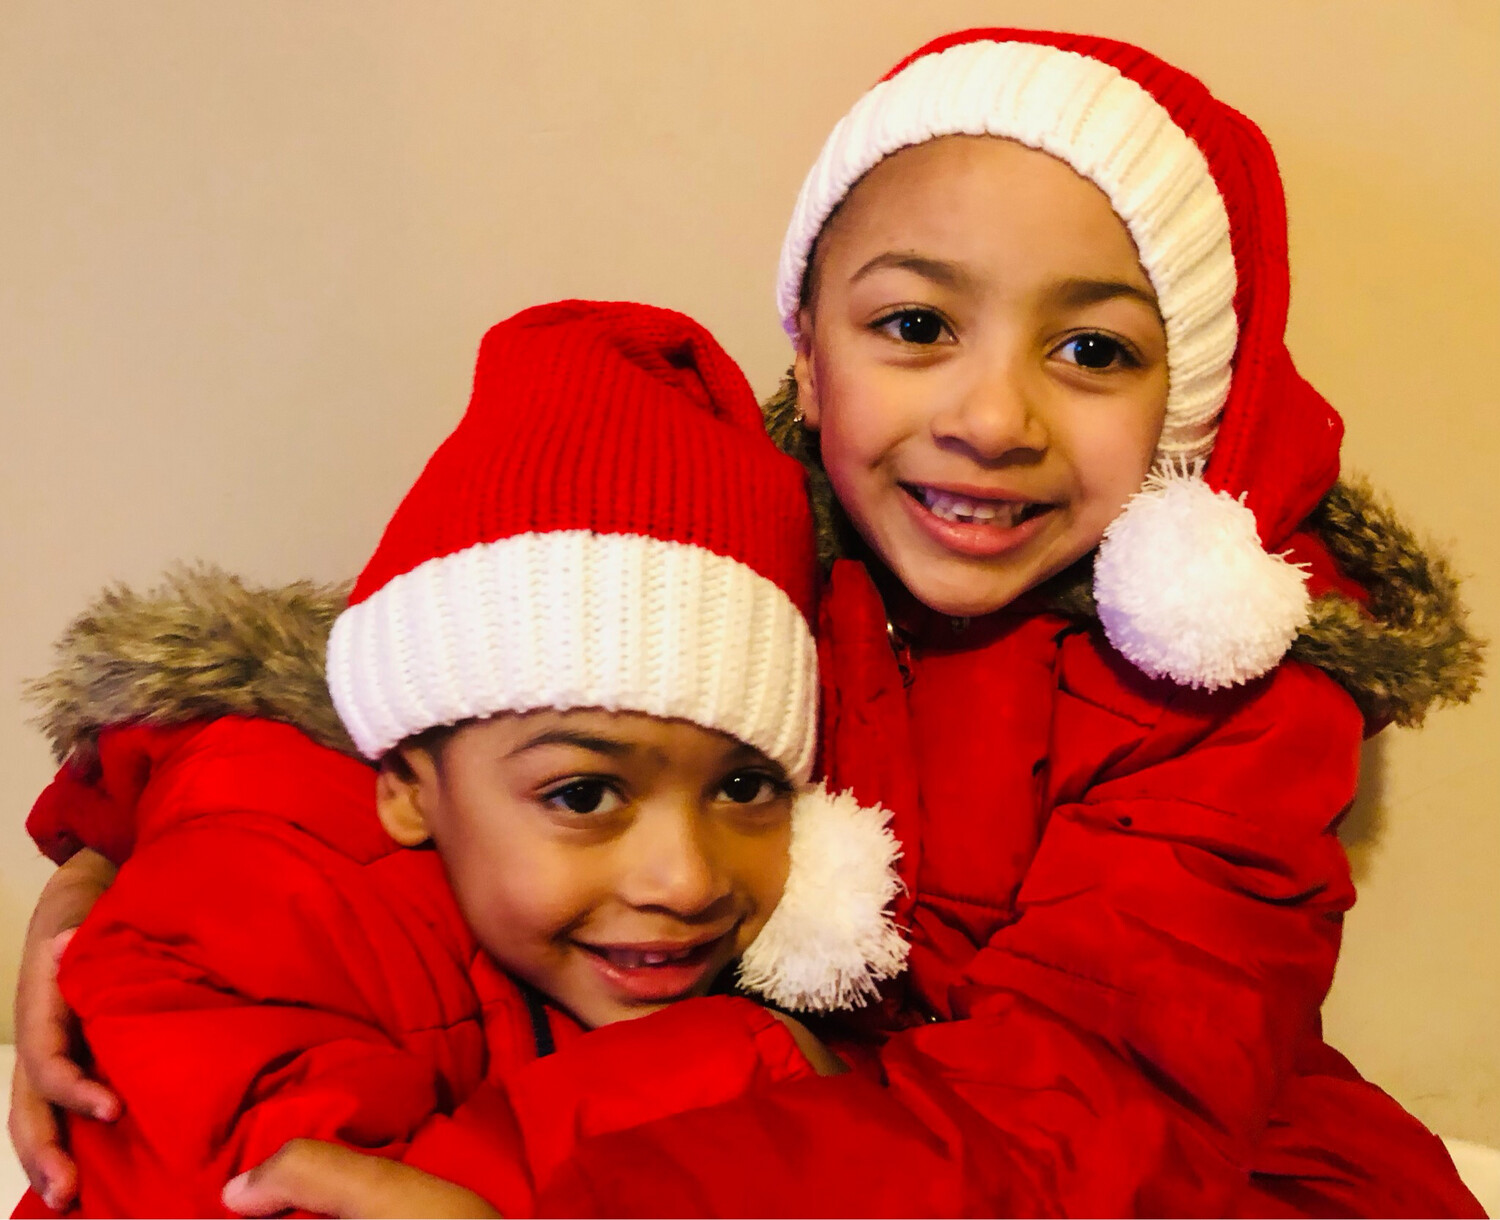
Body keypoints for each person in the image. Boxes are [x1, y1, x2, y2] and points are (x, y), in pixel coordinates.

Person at [13, 27, 1486, 1219]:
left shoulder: (1231, 707)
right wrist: (108, 876)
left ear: (1194, 400)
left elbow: (1092, 1115)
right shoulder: (740, 535)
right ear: (812, 346)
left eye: (1092, 349)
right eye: (916, 326)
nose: (990, 416)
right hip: (756, 1120)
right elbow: (421, 687)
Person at [8, 300, 904, 1218]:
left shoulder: (535, 914)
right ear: (405, 784)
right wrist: (749, 1057)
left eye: (745, 785)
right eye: (585, 795)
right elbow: (270, 1186)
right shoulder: (265, 899)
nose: (687, 881)